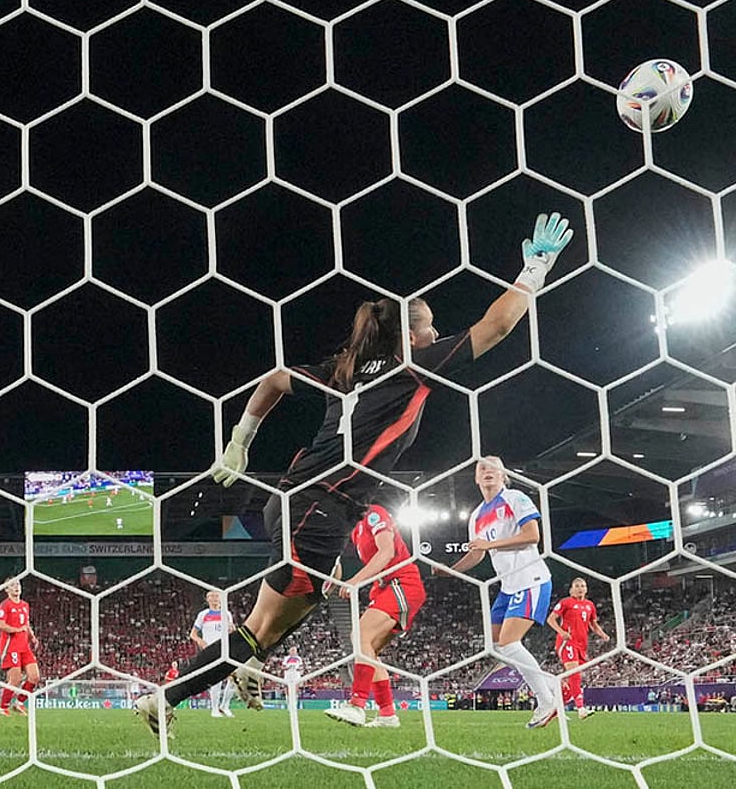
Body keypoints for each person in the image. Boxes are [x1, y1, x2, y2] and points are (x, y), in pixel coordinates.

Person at [134, 213, 574, 735]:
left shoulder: (345, 368)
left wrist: (240, 443)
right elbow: (496, 326)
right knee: (264, 625)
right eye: (429, 325)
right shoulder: (412, 366)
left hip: (302, 501)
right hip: (319, 504)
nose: (436, 332)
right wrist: (535, 269)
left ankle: (232, 670)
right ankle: (173, 694)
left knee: (276, 625)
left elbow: (275, 378)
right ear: (409, 337)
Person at [435, 456, 559, 729]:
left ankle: (546, 700)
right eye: (482, 468)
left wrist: (491, 544)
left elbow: (532, 536)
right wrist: (451, 571)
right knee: (495, 645)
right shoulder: (477, 515)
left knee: (510, 642)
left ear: (504, 475)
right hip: (508, 585)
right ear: (476, 478)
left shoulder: (515, 499)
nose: (488, 471)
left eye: (493, 467)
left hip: (530, 577)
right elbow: (477, 554)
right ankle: (550, 683)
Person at [325, 504, 426, 728]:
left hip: (401, 582)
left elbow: (387, 551)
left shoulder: (373, 514)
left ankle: (357, 705)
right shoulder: (354, 530)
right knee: (369, 650)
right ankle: (388, 714)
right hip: (384, 587)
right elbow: (337, 567)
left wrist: (356, 581)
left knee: (360, 635)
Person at [546, 577, 609, 720]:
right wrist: (561, 632)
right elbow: (551, 619)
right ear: (571, 589)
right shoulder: (566, 602)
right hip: (566, 642)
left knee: (571, 682)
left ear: (586, 589)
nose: (580, 588)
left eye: (583, 586)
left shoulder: (589, 605)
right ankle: (581, 708)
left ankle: (552, 712)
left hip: (582, 645)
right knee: (575, 675)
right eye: (577, 586)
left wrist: (603, 635)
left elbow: (593, 624)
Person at [0, 577, 40, 717]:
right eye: (13, 585)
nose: (16, 587)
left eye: (18, 584)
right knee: (15, 679)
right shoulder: (5, 605)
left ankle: (19, 703)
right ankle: (3, 708)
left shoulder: (25, 605)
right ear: (6, 589)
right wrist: (16, 629)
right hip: (10, 647)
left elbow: (26, 624)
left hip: (24, 646)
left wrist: (32, 636)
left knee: (34, 677)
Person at [191, 591, 237, 718]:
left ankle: (225, 706)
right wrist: (200, 641)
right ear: (207, 599)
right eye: (211, 596)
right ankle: (214, 709)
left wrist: (232, 630)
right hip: (211, 650)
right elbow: (193, 634)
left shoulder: (227, 614)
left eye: (216, 596)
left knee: (235, 678)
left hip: (226, 649)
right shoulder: (203, 614)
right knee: (216, 680)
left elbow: (231, 631)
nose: (214, 598)